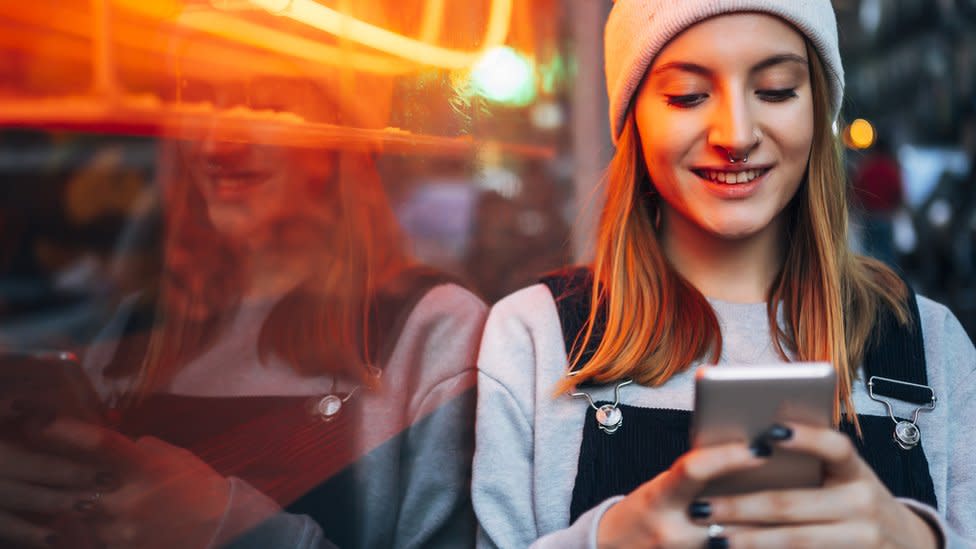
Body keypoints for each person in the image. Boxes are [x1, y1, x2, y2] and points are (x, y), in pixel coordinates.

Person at [472, 1, 976, 548]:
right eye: (688, 95)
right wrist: (609, 539)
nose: (735, 136)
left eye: (777, 89)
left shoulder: (931, 344)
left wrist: (919, 539)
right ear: (632, 115)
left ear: (818, 107)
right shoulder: (533, 338)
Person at [0, 67, 486, 548]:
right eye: (197, 101)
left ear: (345, 136)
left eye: (269, 103)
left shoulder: (434, 330)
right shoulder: (137, 325)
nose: (216, 145)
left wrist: (225, 529)